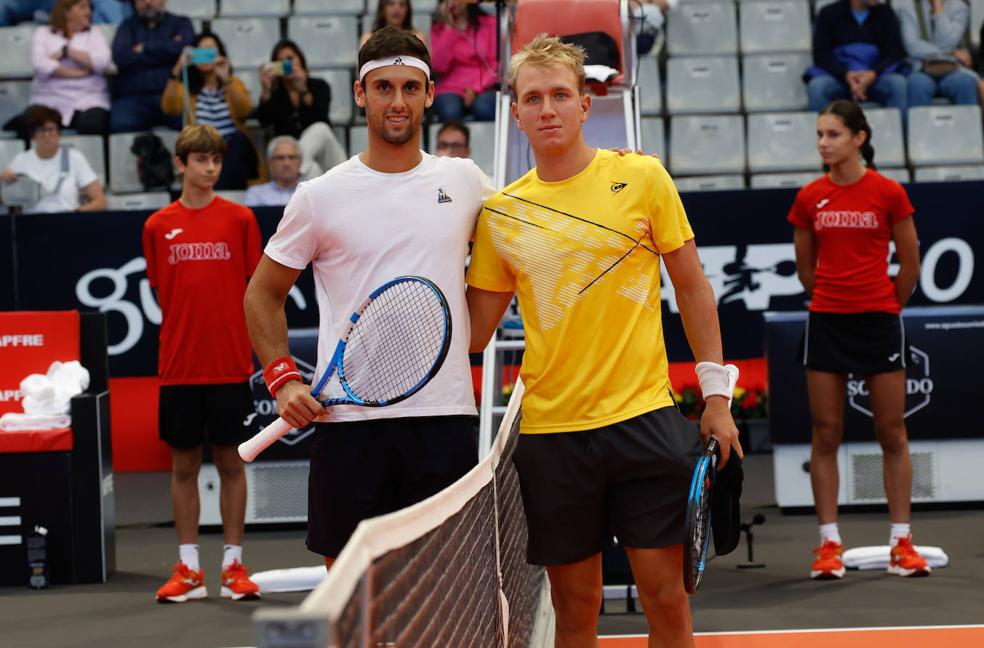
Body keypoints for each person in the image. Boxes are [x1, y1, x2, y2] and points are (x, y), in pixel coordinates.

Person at [464, 35, 741, 647]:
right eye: (533, 98)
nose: (548, 109)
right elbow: (474, 333)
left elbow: (693, 290)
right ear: (516, 114)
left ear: (586, 103)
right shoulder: (502, 214)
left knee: (666, 597)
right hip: (553, 436)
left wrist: (717, 396)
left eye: (560, 94)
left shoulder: (641, 178)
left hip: (643, 419)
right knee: (574, 604)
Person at [243, 26, 492, 568]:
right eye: (383, 87)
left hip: (442, 419)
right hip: (349, 430)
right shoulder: (319, 196)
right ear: (360, 94)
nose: (396, 101)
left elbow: (533, 226)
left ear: (429, 94)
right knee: (351, 605)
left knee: (443, 600)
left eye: (409, 87)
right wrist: (283, 380)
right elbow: (262, 294)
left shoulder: (467, 180)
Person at [787, 100, 929, 581]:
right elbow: (806, 270)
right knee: (826, 432)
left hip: (879, 322)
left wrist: (885, 306)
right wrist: (835, 298)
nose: (823, 142)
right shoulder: (810, 197)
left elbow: (909, 264)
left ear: (858, 138)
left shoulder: (888, 192)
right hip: (828, 321)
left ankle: (901, 543)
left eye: (833, 134)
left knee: (892, 433)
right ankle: (828, 544)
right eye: (820, 134)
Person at [142, 123, 262, 604]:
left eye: (216, 160)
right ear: (181, 164)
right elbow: (162, 290)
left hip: (231, 364)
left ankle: (233, 565)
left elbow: (256, 292)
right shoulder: (156, 226)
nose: (210, 168)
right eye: (200, 160)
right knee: (183, 464)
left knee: (232, 463)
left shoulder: (240, 219)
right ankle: (189, 568)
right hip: (179, 367)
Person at [162, 32, 264, 190]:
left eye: (210, 51)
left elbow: (245, 110)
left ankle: (215, 192)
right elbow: (169, 108)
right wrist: (177, 69)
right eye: (200, 51)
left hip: (231, 152)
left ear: (220, 55)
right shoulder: (187, 89)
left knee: (238, 140)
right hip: (202, 151)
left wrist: (226, 78)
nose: (205, 56)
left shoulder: (233, 83)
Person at [3, 0, 110, 139]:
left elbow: (102, 62)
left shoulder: (94, 34)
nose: (88, 12)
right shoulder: (43, 33)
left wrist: (67, 53)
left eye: (89, 7)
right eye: (82, 7)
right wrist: (79, 72)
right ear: (67, 11)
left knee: (94, 125)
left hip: (88, 99)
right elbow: (40, 64)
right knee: (28, 124)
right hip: (50, 100)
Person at [256, 40, 347, 180]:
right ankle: (298, 169)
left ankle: (295, 168)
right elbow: (264, 122)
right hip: (301, 167)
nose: (286, 64)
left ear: (300, 60)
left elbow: (321, 115)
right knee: (312, 170)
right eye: (280, 61)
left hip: (326, 157)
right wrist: (266, 90)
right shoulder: (276, 94)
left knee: (320, 129)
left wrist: (303, 89)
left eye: (290, 59)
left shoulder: (318, 85)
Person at [805, 0, 908, 115]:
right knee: (818, 87)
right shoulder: (828, 13)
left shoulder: (886, 13)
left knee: (897, 84)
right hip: (839, 78)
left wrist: (872, 74)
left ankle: (899, 132)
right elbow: (821, 55)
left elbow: (894, 53)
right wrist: (846, 75)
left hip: (876, 77)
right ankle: (823, 131)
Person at [1, 104, 106, 213]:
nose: (46, 135)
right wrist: (4, 181)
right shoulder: (21, 160)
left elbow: (100, 201)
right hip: (31, 224)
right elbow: (5, 200)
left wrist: (76, 214)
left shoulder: (75, 158)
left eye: (50, 129)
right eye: (40, 130)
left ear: (59, 133)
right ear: (33, 135)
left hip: (67, 222)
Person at [110, 0, 194, 133]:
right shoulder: (126, 27)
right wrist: (166, 50)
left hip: (172, 94)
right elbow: (121, 58)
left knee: (192, 121)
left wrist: (144, 48)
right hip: (134, 100)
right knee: (119, 123)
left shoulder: (181, 23)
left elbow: (183, 50)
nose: (148, 2)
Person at [897, 0, 979, 108]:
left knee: (964, 84)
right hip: (921, 68)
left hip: (952, 69)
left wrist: (938, 9)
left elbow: (947, 42)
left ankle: (969, 124)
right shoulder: (908, 7)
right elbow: (912, 46)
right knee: (918, 84)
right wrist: (951, 53)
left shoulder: (959, 7)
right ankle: (921, 125)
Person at [430, 0, 498, 122]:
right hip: (450, 88)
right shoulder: (438, 29)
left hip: (484, 86)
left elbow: (495, 64)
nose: (451, 3)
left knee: (484, 108)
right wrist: (449, 27)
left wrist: (476, 89)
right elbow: (439, 66)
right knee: (450, 111)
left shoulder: (490, 23)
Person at [245, 136, 302, 207]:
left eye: (292, 157)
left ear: (301, 162)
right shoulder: (255, 194)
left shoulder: (309, 193)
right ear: (270, 162)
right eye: (280, 158)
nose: (286, 163)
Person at [360, 0, 428, 49]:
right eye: (391, 4)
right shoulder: (368, 38)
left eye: (402, 4)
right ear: (383, 8)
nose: (397, 8)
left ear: (407, 10)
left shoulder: (418, 38)